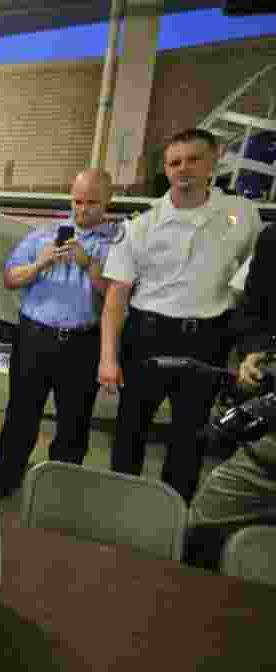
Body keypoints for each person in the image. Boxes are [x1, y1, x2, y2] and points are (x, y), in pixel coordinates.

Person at [99, 128, 263, 502]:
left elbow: (256, 276)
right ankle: (121, 506)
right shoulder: (141, 224)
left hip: (208, 339)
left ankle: (174, 513)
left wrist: (246, 345)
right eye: (175, 162)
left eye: (193, 159)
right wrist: (108, 358)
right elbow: (116, 296)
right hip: (147, 336)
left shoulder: (241, 215)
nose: (183, 168)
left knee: (189, 437)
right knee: (130, 431)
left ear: (214, 162)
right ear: (166, 169)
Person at [0, 169, 116, 499]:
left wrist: (88, 263)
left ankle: (60, 492)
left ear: (107, 202)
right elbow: (11, 279)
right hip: (34, 338)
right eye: (77, 201)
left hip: (81, 343)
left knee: (74, 422)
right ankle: (5, 480)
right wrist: (40, 263)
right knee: (20, 413)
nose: (83, 209)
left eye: (92, 202)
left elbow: (116, 293)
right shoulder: (41, 237)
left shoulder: (116, 242)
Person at [185, 225, 276, 569]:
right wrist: (256, 351)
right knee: (201, 529)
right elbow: (254, 311)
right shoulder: (272, 238)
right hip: (265, 447)